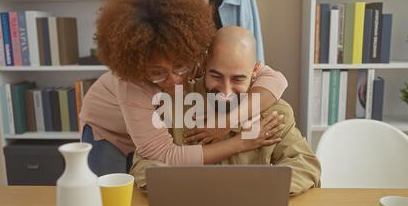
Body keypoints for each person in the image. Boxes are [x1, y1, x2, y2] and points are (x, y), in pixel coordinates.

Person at [79, 0, 289, 176]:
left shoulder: (197, 55)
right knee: (106, 202)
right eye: (157, 73)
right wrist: (241, 143)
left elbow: (275, 79)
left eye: (180, 67)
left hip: (151, 134)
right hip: (110, 132)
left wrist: (228, 121)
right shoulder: (132, 84)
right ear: (140, 69)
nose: (175, 79)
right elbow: (166, 155)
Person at [131, 26, 321, 196]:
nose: (225, 91)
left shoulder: (274, 112)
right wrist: (188, 188)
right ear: (205, 64)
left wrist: (257, 190)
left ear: (255, 70)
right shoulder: (172, 104)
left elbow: (305, 165)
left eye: (238, 79)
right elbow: (143, 166)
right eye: (216, 76)